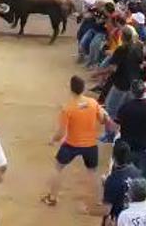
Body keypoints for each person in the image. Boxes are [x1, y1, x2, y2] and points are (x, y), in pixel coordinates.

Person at [43, 75, 109, 207]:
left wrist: (52, 140)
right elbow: (103, 120)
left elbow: (61, 133)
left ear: (71, 90)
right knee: (92, 172)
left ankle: (52, 197)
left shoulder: (68, 108)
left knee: (58, 168)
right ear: (83, 88)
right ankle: (97, 201)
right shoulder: (93, 103)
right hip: (90, 144)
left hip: (72, 144)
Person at [115, 80, 146, 195]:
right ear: (144, 92)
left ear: (132, 92)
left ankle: (122, 196)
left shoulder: (125, 107)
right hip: (143, 146)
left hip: (128, 146)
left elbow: (117, 123)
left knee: (124, 172)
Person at [103, 140, 144, 224]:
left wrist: (88, 210)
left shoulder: (112, 179)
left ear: (113, 158)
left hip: (121, 219)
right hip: (137, 217)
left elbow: (106, 210)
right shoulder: (137, 172)